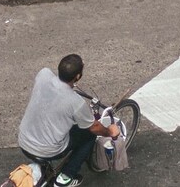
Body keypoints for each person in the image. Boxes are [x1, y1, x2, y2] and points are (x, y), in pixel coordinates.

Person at [18, 54, 120, 187]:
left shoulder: (44, 74)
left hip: (24, 141)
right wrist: (109, 131)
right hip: (48, 150)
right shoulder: (75, 102)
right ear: (77, 76)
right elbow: (94, 127)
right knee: (89, 136)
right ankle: (66, 176)